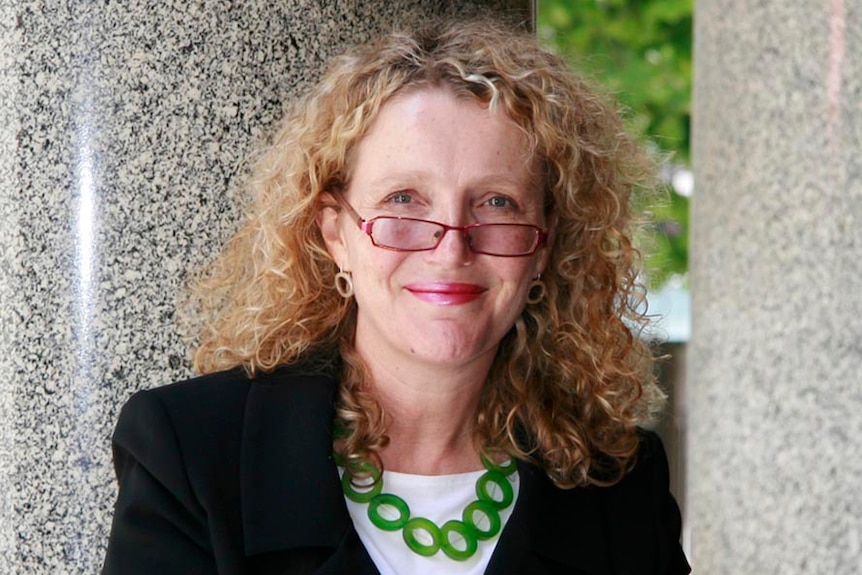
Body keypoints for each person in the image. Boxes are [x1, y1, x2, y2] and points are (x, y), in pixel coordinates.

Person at [102, 14, 690, 575]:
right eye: (404, 199)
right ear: (336, 235)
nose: (451, 248)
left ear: (542, 248)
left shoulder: (617, 483)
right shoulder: (192, 453)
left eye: (497, 203)